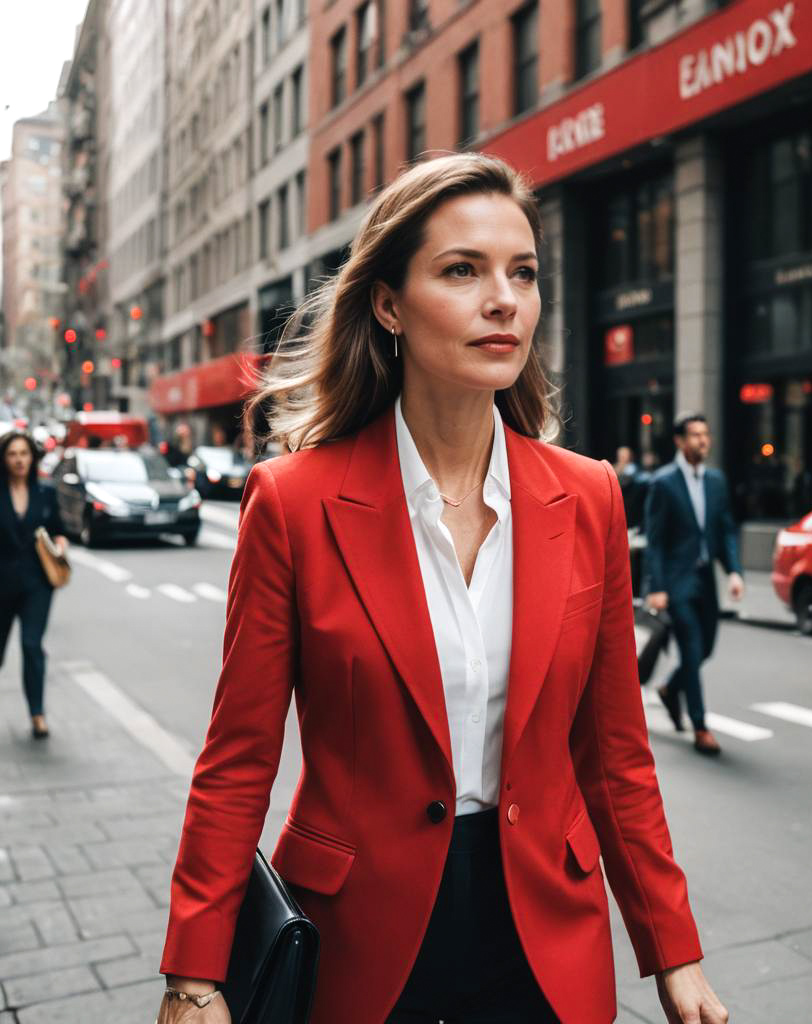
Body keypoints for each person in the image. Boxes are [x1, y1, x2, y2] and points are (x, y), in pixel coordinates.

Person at [156, 155, 728, 1024]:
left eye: (523, 273)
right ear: (388, 304)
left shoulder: (589, 498)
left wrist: (672, 950)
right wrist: (195, 974)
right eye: (463, 270)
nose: (504, 299)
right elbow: (239, 761)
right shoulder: (294, 502)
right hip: (360, 942)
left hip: (545, 938)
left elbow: (615, 756)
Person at [644, 414, 743, 757]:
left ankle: (671, 688)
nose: (703, 441)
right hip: (677, 581)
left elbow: (725, 528)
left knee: (707, 648)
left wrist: (734, 571)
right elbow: (654, 541)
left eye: (706, 434)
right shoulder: (664, 482)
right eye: (696, 435)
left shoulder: (716, 481)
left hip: (706, 579)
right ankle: (700, 726)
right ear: (680, 441)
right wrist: (657, 586)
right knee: (690, 647)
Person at [0, 431, 69, 739]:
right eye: (13, 454)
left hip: (37, 583)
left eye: (24, 454)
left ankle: (37, 713)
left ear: (32, 457)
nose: (19, 460)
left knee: (31, 645)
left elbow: (59, 530)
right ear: (4, 458)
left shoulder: (45, 492)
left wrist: (61, 546)